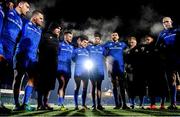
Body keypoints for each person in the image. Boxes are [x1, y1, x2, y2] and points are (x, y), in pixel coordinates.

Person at [12, 10, 44, 111]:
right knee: (18, 78)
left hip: (32, 59)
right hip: (21, 55)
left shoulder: (40, 30)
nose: (42, 21)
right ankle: (17, 104)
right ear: (34, 17)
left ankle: (25, 103)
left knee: (33, 79)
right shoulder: (25, 23)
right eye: (40, 18)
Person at [155, 17, 180, 110]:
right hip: (170, 61)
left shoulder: (177, 30)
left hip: (179, 58)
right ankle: (173, 104)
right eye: (164, 22)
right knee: (171, 83)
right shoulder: (162, 34)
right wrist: (163, 52)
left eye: (167, 21)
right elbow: (157, 47)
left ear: (171, 22)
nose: (165, 23)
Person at [37, 21, 62, 110]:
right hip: (44, 64)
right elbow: (39, 48)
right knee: (42, 84)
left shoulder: (57, 39)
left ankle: (45, 102)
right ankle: (39, 104)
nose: (59, 30)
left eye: (60, 29)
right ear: (52, 28)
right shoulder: (45, 36)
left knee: (50, 85)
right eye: (57, 28)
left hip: (53, 65)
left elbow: (57, 52)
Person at [104, 32, 129, 109]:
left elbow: (128, 51)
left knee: (122, 86)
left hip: (120, 68)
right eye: (113, 35)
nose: (114, 36)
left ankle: (124, 104)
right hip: (112, 69)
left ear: (118, 37)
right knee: (114, 86)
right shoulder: (108, 44)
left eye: (116, 35)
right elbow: (104, 54)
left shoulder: (122, 44)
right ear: (111, 37)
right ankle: (117, 104)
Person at [87, 32, 105, 110]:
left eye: (98, 39)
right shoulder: (90, 47)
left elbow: (108, 55)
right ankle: (94, 104)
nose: (96, 40)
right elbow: (83, 46)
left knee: (99, 87)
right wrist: (88, 42)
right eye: (95, 39)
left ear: (100, 40)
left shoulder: (102, 48)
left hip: (100, 69)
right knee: (93, 87)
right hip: (92, 69)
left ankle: (99, 104)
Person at [57, 31, 73, 111]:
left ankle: (60, 103)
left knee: (64, 87)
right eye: (69, 36)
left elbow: (73, 58)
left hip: (68, 69)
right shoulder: (59, 44)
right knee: (62, 83)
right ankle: (61, 104)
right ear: (65, 36)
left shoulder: (71, 47)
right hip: (60, 68)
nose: (71, 38)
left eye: (71, 37)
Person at [72, 35, 90, 111]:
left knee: (85, 88)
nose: (86, 44)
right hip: (78, 72)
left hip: (86, 71)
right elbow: (73, 58)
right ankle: (76, 105)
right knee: (77, 88)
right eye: (84, 42)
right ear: (81, 42)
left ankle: (83, 104)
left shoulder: (87, 51)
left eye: (87, 43)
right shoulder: (76, 50)